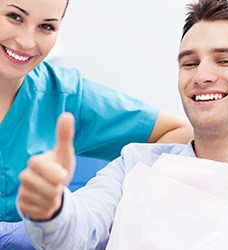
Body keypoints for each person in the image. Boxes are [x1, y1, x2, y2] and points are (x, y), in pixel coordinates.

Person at [20, 0, 228, 248]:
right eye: (190, 63)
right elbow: (79, 230)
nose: (201, 76)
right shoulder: (136, 163)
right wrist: (52, 208)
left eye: (225, 60)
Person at [0, 0, 193, 248]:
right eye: (14, 17)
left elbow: (178, 132)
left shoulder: (65, 95)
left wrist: (95, 203)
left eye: (47, 26)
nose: (27, 42)